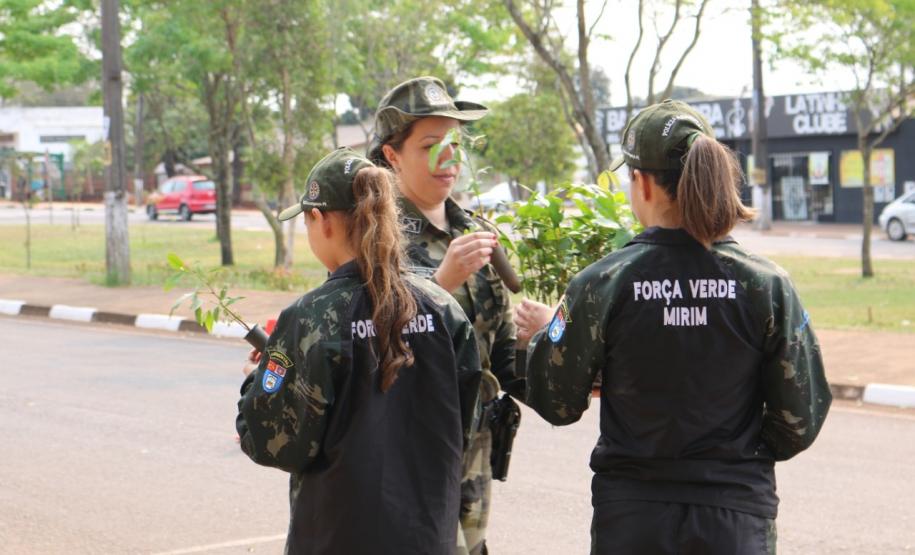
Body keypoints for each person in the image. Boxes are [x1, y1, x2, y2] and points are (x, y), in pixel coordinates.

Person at [513, 100, 832, 554]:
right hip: (735, 517)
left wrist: (547, 339)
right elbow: (799, 421)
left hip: (633, 520)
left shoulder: (603, 282)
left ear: (640, 182)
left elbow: (557, 401)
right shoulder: (767, 285)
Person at [236, 147, 483, 554]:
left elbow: (273, 442)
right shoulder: (443, 308)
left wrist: (257, 383)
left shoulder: (312, 317)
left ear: (321, 220)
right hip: (429, 536)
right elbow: (465, 423)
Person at [368, 76, 525, 555]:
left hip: (473, 450)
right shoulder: (373, 239)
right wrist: (442, 283)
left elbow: (499, 353)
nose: (448, 159)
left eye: (454, 144)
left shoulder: (475, 231)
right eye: (431, 145)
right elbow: (367, 345)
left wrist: (551, 342)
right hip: (408, 452)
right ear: (392, 156)